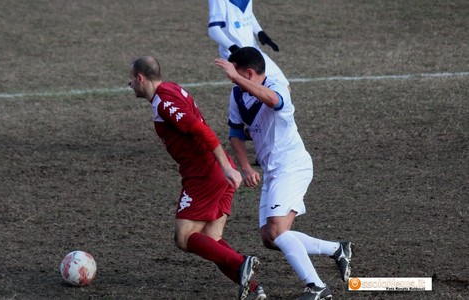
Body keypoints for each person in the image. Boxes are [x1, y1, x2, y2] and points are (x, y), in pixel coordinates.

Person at [215, 47, 353, 300]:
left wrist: (236, 77)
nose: (230, 79)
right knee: (269, 237)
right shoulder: (237, 94)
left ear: (247, 72)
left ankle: (317, 287)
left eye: (234, 74)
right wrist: (245, 167)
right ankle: (337, 249)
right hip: (272, 170)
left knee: (278, 231)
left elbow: (273, 101)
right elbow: (235, 133)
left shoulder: (277, 87)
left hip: (292, 166)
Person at [127, 56, 267, 300]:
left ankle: (241, 262)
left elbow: (200, 129)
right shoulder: (170, 87)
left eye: (131, 79)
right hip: (217, 168)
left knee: (183, 237)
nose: (129, 84)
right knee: (211, 241)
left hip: (206, 173)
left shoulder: (163, 103)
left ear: (140, 78)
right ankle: (255, 290)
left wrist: (225, 167)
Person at [208, 0, 290, 89]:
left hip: (253, 50)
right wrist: (233, 47)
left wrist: (260, 32)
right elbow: (213, 29)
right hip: (236, 55)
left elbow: (248, 14)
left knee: (284, 86)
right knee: (257, 91)